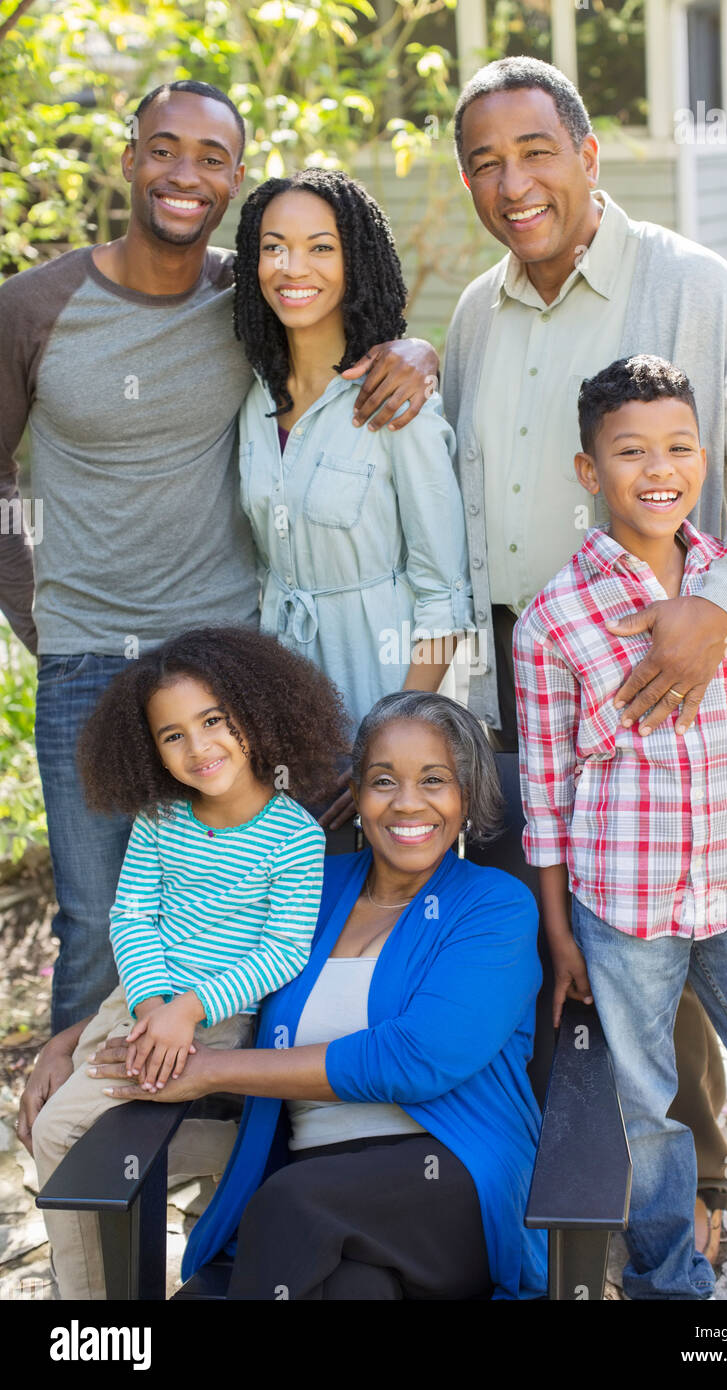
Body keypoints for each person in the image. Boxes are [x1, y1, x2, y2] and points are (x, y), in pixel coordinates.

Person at [440, 54, 727, 1240]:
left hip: (665, 647)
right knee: (575, 940)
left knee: (684, 932)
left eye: (534, 152)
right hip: (518, 659)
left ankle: (710, 1197)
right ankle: (574, 1202)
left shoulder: (693, 285)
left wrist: (718, 606)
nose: (513, 184)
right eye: (484, 164)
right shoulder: (469, 312)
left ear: (588, 153)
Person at [0, 79, 438, 1034]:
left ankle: (235, 1152)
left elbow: (337, 305)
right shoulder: (34, 307)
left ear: (233, 175)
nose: (184, 174)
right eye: (164, 149)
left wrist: (418, 349)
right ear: (129, 160)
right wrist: (40, 616)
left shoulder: (249, 291)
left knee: (260, 916)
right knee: (98, 922)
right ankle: (94, 1176)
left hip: (232, 664)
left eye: (210, 158)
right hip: (89, 669)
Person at [514, 355, 727, 1301]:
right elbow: (545, 792)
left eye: (678, 447)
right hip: (626, 909)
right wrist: (559, 930)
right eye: (630, 451)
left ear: (704, 459)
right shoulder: (554, 622)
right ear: (591, 473)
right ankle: (670, 1280)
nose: (658, 468)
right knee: (645, 1111)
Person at [87, 692, 547, 1300]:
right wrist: (73, 1040)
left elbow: (416, 1058)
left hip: (450, 1176)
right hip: (321, 1189)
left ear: (467, 797)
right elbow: (192, 959)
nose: (408, 802)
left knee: (292, 1204)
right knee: (353, 1288)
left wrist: (209, 1071)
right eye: (384, 781)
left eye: (434, 780)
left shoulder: (494, 907)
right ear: (356, 796)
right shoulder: (310, 885)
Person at [29, 625, 348, 1300]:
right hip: (143, 1004)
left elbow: (281, 950)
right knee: (65, 1125)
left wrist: (189, 1011)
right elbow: (132, 917)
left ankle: (87, 1306)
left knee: (61, 1129)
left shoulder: (292, 835)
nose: (199, 747)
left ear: (256, 715)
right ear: (150, 749)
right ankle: (97, 1289)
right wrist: (151, 1008)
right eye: (173, 735)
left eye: (213, 721)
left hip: (221, 1018)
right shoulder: (161, 820)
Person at [233, 171, 474, 827]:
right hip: (283, 710)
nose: (292, 268)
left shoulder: (398, 399)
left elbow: (444, 599)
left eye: (320, 247)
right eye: (274, 247)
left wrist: (387, 744)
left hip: (386, 687)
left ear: (355, 260)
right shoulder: (252, 397)